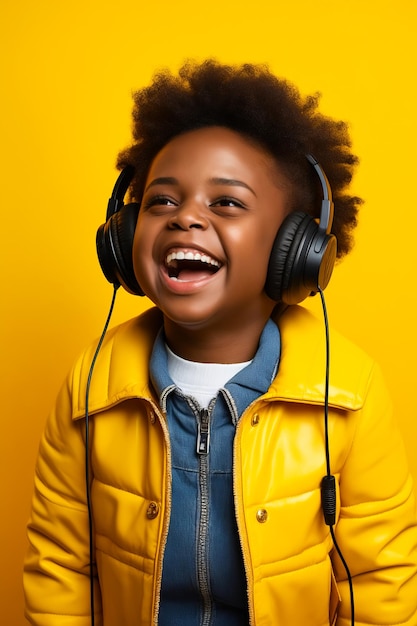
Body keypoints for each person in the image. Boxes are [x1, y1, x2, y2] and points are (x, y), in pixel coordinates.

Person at [24, 60, 417, 626]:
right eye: (161, 201)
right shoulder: (92, 387)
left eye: (226, 203)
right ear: (125, 236)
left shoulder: (349, 394)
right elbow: (59, 567)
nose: (186, 218)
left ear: (296, 248)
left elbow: (383, 581)